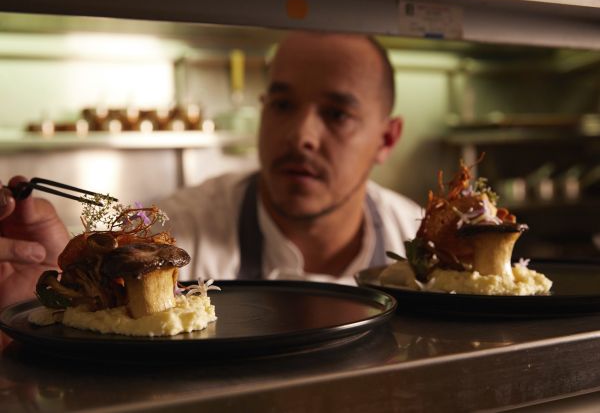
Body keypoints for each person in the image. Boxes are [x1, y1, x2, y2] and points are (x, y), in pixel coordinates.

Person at [0, 31, 422, 311]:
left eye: (336, 114)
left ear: (387, 139)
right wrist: (51, 298)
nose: (301, 136)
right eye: (282, 105)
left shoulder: (424, 244)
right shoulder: (173, 237)